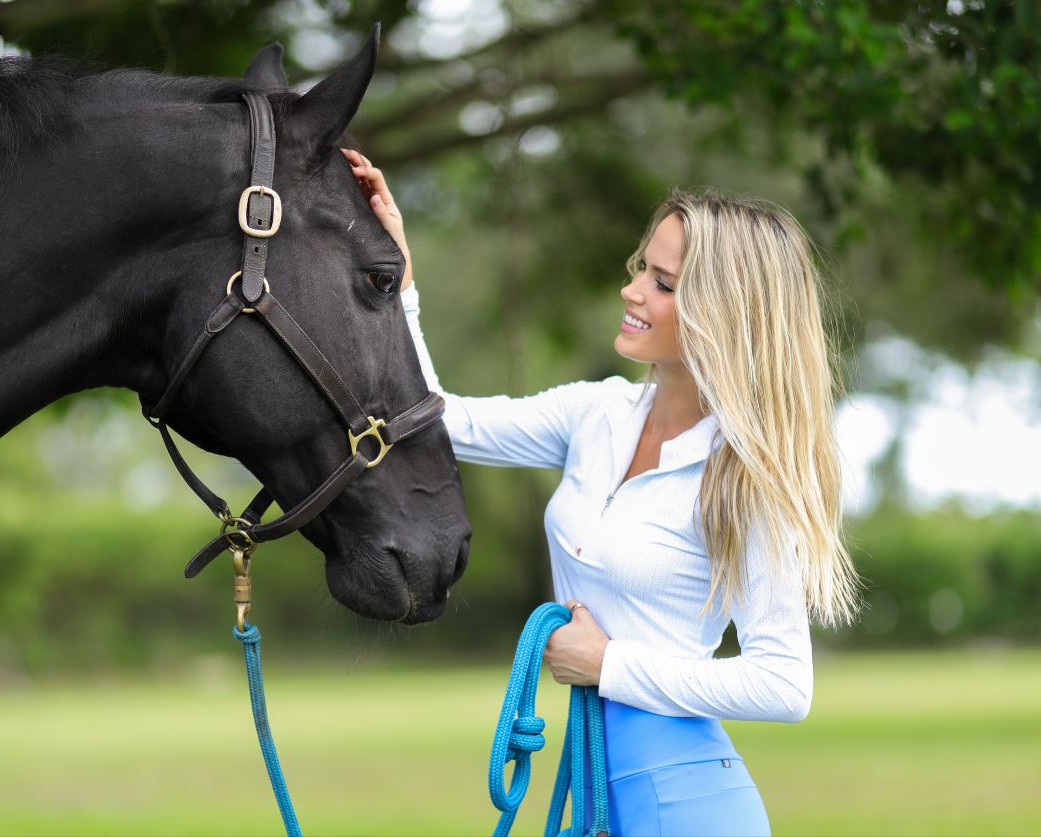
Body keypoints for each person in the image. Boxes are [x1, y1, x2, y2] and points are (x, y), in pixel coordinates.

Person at [341, 148, 860, 836]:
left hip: (690, 805)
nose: (634, 290)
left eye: (664, 282)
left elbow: (784, 685)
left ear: (724, 313)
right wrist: (400, 284)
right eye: (642, 267)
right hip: (595, 792)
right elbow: (441, 419)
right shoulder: (597, 415)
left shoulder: (744, 477)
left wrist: (608, 663)